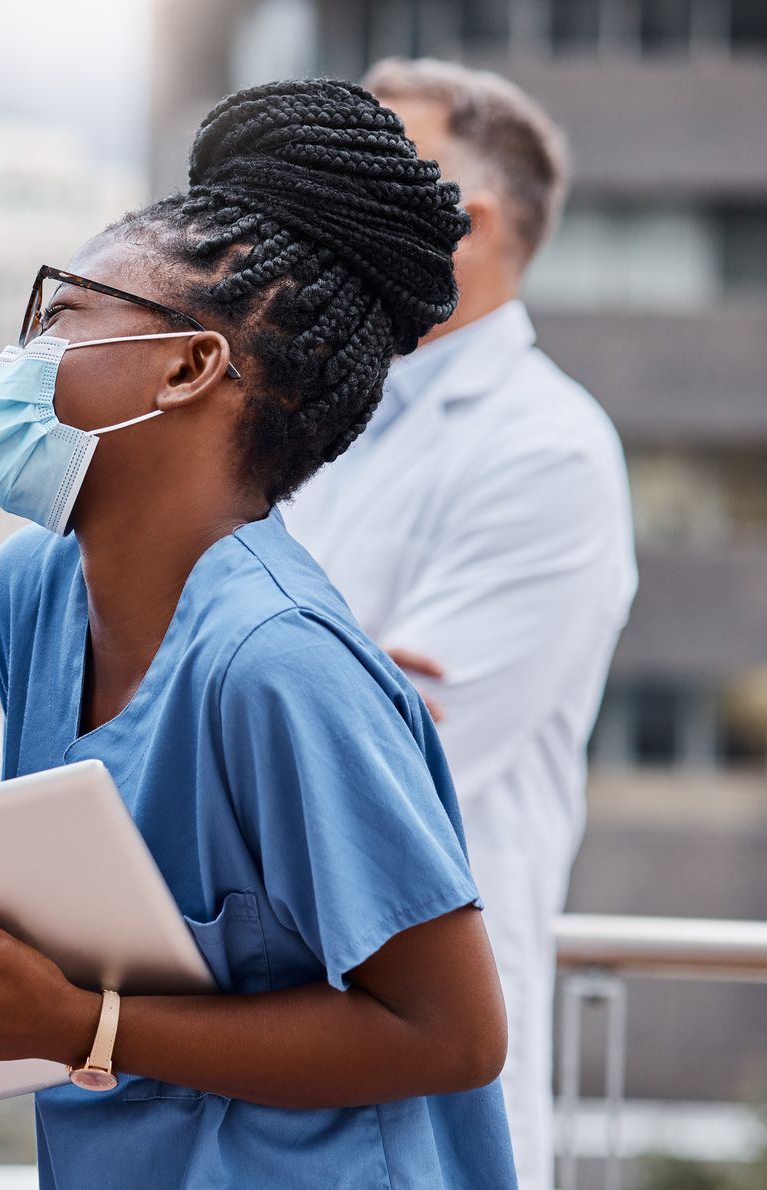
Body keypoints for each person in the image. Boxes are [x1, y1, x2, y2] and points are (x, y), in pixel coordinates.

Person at [0, 79, 515, 1189]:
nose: (26, 350)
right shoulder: (32, 594)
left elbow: (454, 1034)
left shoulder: (278, 664)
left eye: (65, 313)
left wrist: (88, 1026)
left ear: (186, 366)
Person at [282, 58, 636, 1190]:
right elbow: (282, 703)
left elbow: (389, 756)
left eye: (358, 180)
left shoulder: (548, 452)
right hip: (272, 1024)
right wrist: (321, 678)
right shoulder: (315, 419)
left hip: (420, 1040)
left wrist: (288, 689)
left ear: (465, 225)